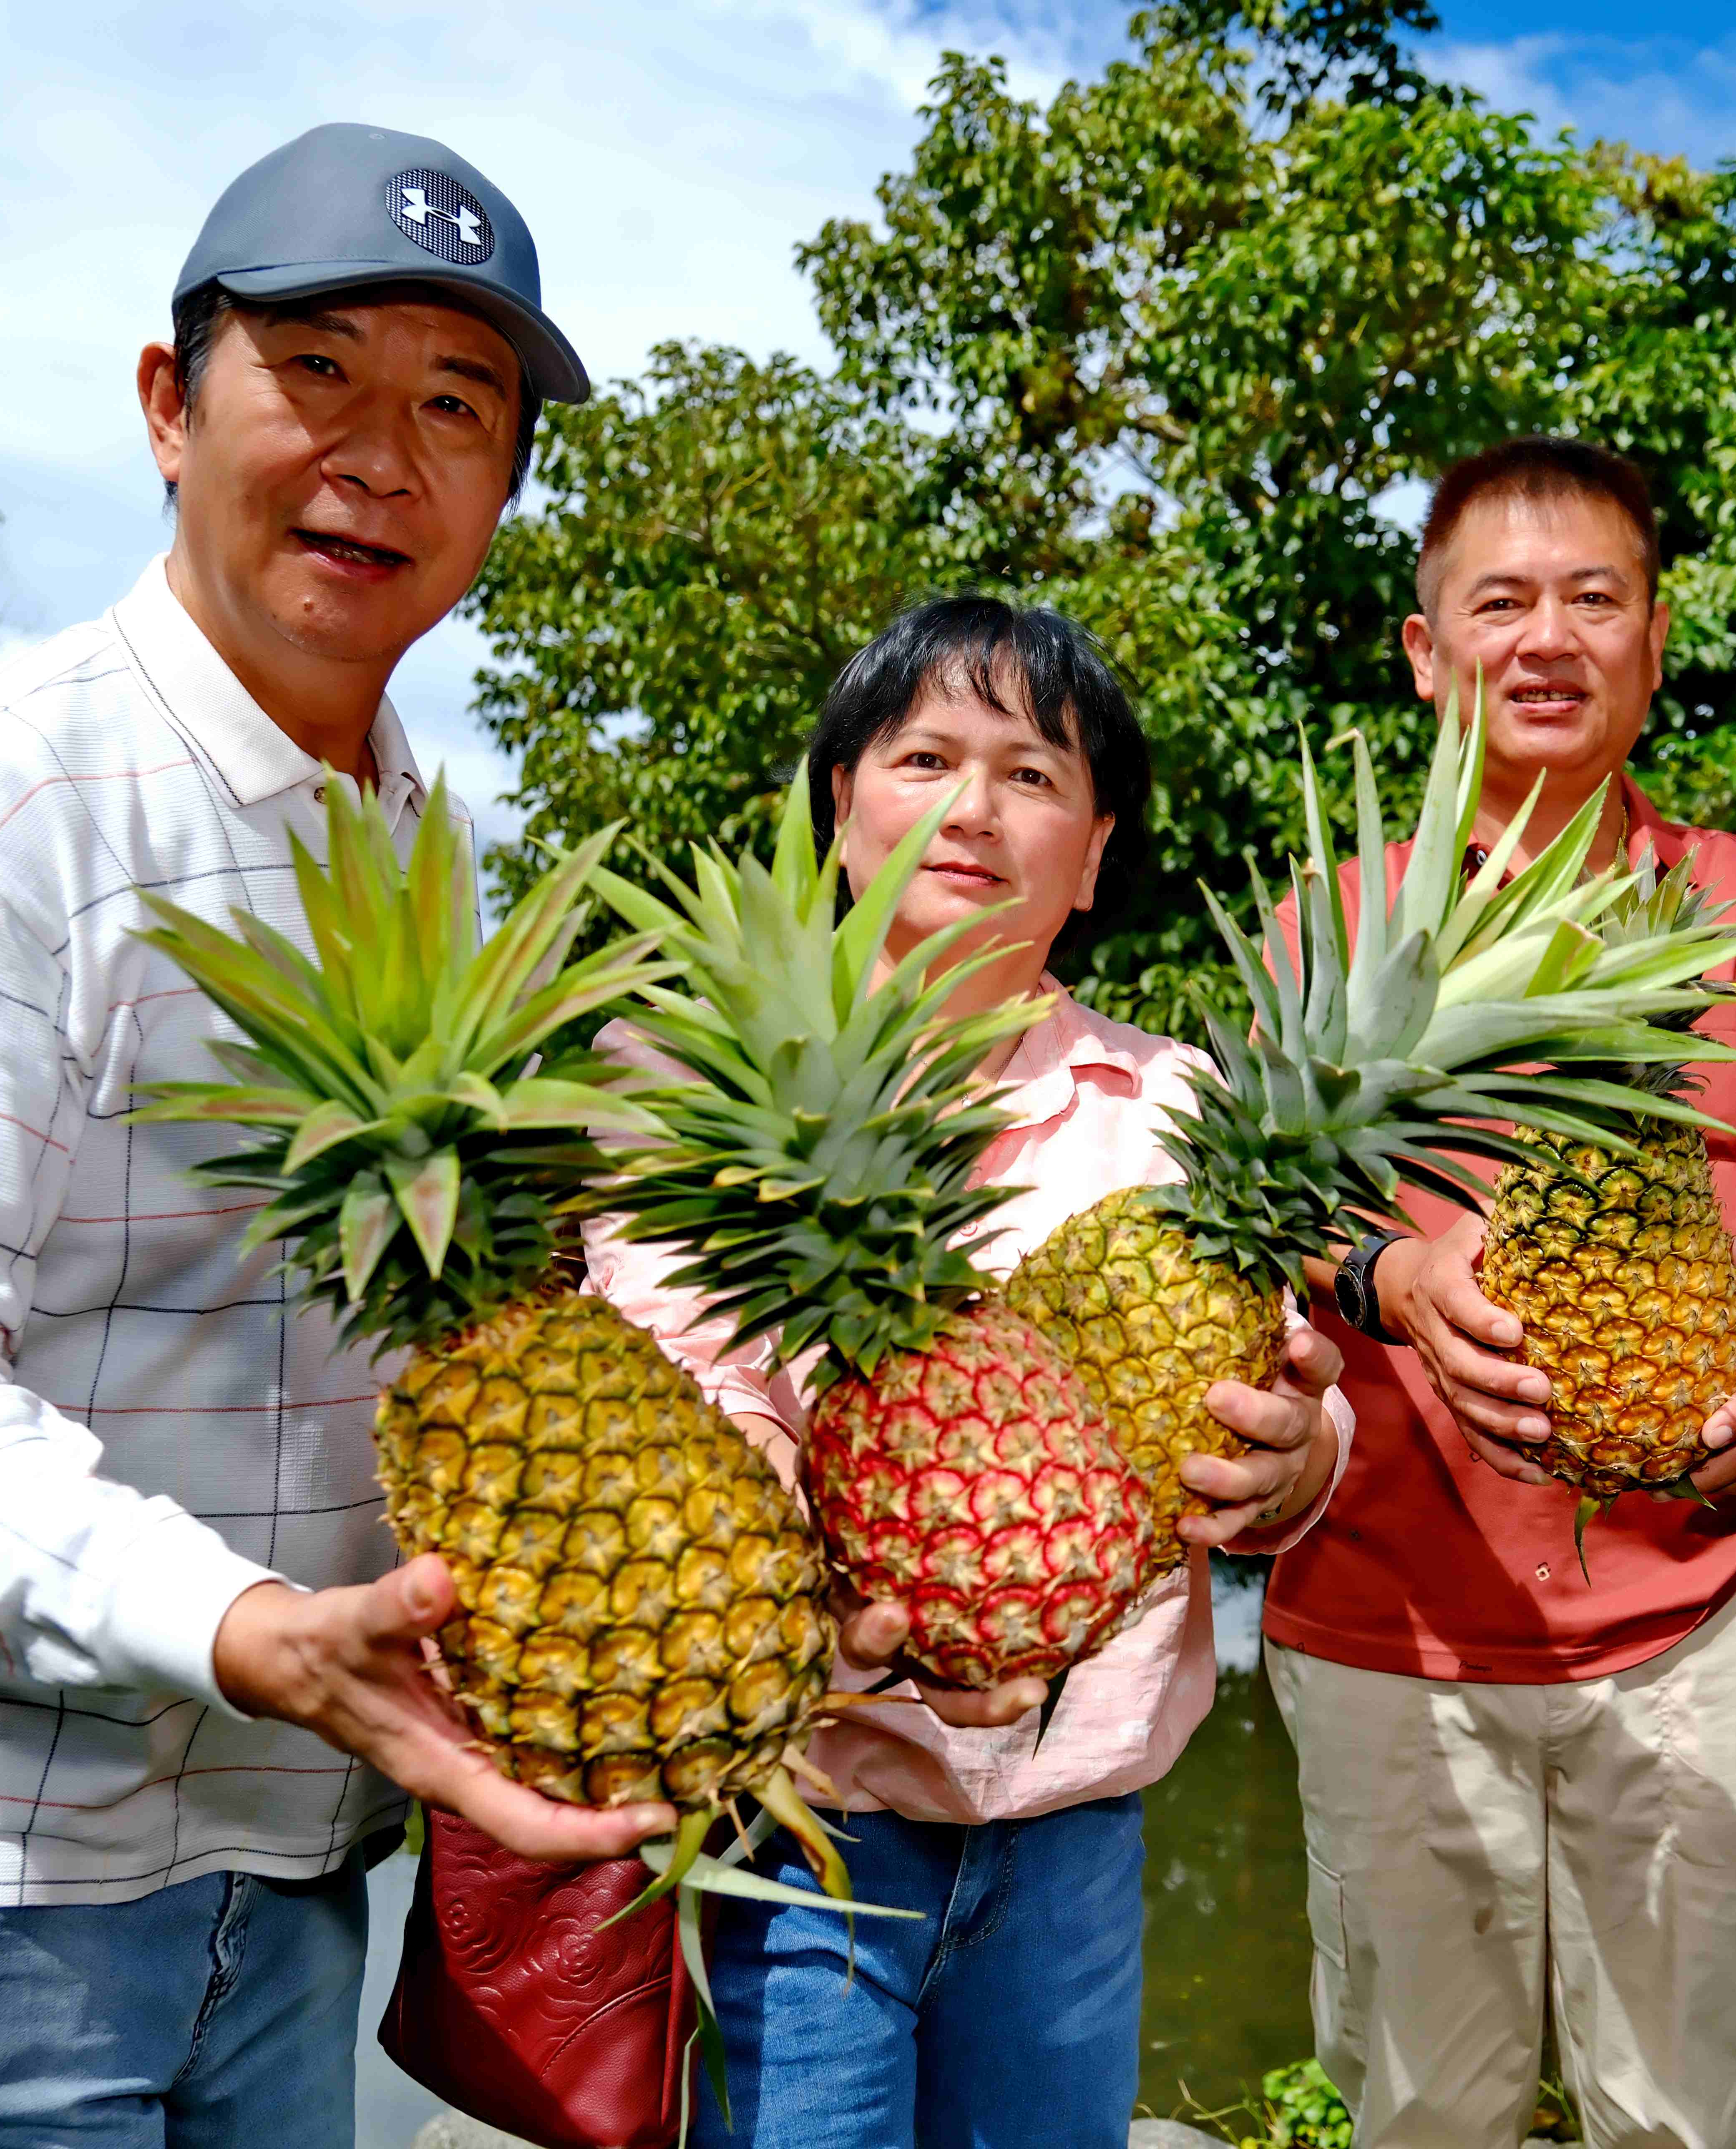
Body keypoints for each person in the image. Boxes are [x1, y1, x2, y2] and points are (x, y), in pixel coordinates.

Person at [0, 125, 655, 2146]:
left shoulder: (423, 855)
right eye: (319, 371)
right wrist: (232, 1625)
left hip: (284, 1867)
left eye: (458, 407)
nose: (384, 455)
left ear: (501, 491)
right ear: (167, 402)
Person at [583, 596, 1350, 2149]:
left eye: (1032, 774)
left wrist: (1300, 1459)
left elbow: (1293, 1408)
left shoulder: (1186, 1107)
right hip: (795, 1839)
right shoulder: (712, 1103)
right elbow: (685, 1386)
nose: (973, 809)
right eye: (924, 756)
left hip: (1077, 1841)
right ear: (842, 809)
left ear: (1094, 845)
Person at [1260, 436, 1736, 2149]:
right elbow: (1261, 1197)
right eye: (1500, 601)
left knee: (1698, 2111)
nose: (1546, 638)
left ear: (1652, 634)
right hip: (1385, 1633)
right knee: (1422, 2115)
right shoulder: (1331, 915)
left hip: (1697, 1625)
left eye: (1592, 599)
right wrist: (1392, 1274)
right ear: (1427, 653)